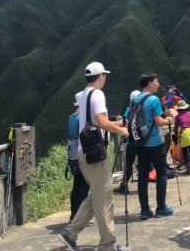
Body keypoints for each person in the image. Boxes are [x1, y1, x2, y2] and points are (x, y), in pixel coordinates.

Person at [59, 62, 131, 251]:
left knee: (97, 196)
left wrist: (113, 123)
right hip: (95, 154)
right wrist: (121, 130)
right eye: (104, 75)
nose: (105, 78)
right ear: (100, 76)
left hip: (85, 152)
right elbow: (100, 121)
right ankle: (108, 245)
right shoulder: (97, 94)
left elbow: (95, 120)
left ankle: (70, 233)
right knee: (105, 199)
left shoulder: (83, 95)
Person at [133, 73, 174, 221]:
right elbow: (158, 121)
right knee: (161, 174)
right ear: (149, 83)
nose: (158, 84)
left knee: (143, 176)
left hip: (140, 143)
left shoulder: (135, 99)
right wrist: (168, 119)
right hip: (155, 143)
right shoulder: (154, 99)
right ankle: (161, 208)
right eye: (156, 82)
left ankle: (145, 210)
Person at [68, 97, 90, 224]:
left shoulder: (72, 117)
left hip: (73, 153)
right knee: (84, 186)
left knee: (76, 186)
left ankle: (73, 215)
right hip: (81, 153)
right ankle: (80, 218)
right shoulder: (80, 120)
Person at [115, 90, 141, 195]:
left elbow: (125, 123)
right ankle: (142, 186)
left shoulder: (128, 110)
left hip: (130, 141)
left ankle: (124, 185)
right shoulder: (143, 108)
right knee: (143, 163)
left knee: (128, 164)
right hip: (143, 141)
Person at [173, 100, 190, 175]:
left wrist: (175, 134)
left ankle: (189, 170)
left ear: (178, 109)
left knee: (185, 152)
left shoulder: (178, 117)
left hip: (186, 132)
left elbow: (175, 128)